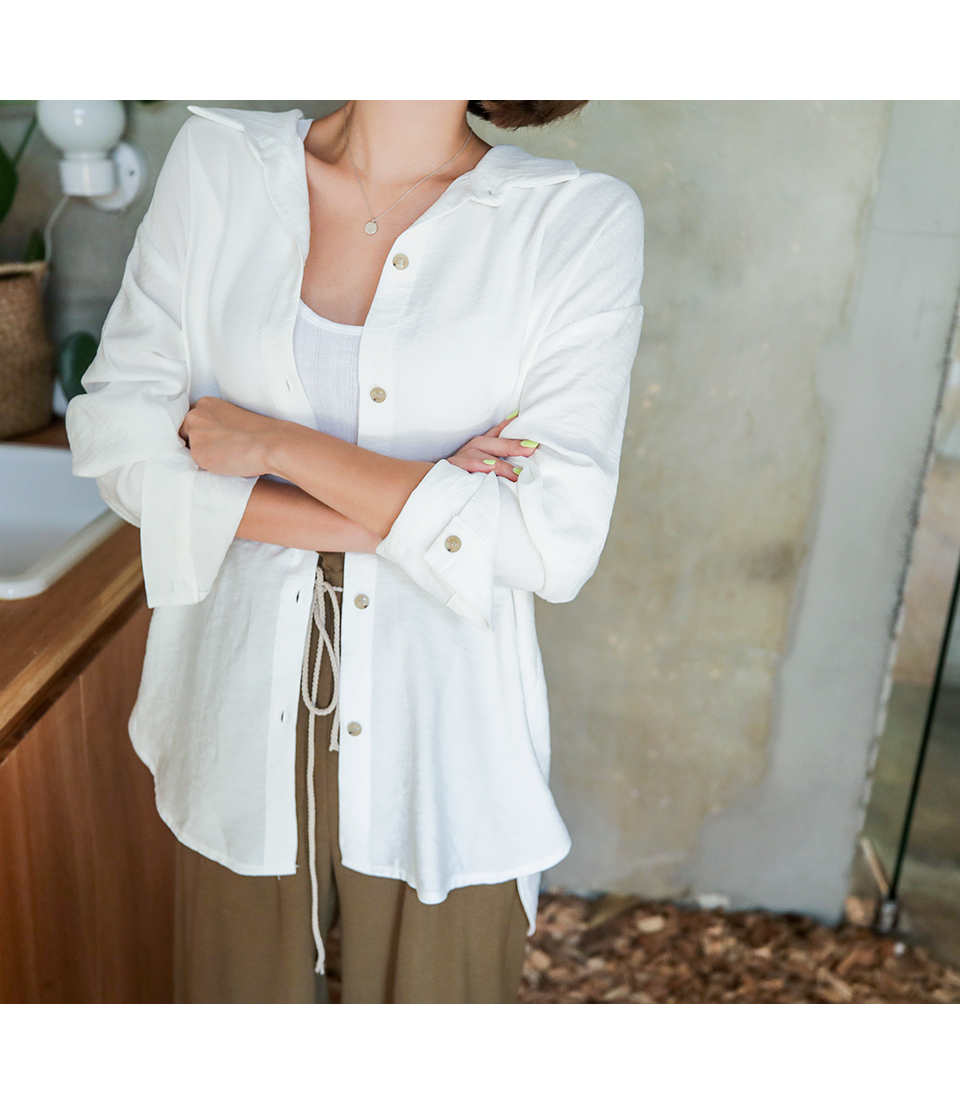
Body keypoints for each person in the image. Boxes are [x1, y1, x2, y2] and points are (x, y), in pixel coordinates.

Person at [66, 99, 644, 1003]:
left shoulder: (573, 222)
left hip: (447, 736)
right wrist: (421, 507)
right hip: (233, 711)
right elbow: (120, 448)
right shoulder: (220, 163)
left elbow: (548, 540)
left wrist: (275, 445)